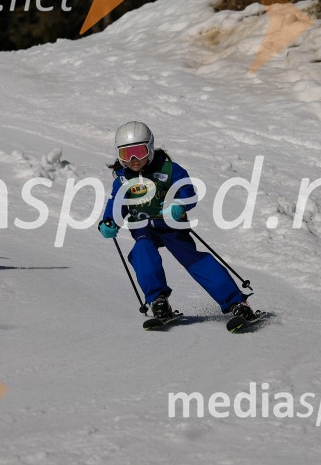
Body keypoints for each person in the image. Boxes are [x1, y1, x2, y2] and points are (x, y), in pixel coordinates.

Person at [98, 121, 256, 321]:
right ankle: (158, 300)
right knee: (142, 251)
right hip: (143, 227)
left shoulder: (169, 169)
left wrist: (179, 205)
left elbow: (188, 191)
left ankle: (236, 302)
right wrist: (109, 221)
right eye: (126, 154)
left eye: (139, 151)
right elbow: (116, 203)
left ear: (150, 148)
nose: (134, 159)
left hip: (172, 226)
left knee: (194, 260)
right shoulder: (122, 180)